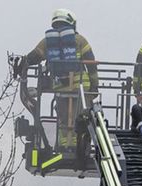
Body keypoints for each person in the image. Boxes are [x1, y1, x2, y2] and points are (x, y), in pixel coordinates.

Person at [22, 9, 100, 152]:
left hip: (60, 87)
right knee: (81, 117)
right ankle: (80, 146)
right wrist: (94, 86)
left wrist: (22, 64)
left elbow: (33, 57)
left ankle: (64, 145)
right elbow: (91, 64)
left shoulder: (47, 42)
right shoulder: (80, 40)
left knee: (64, 118)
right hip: (81, 87)